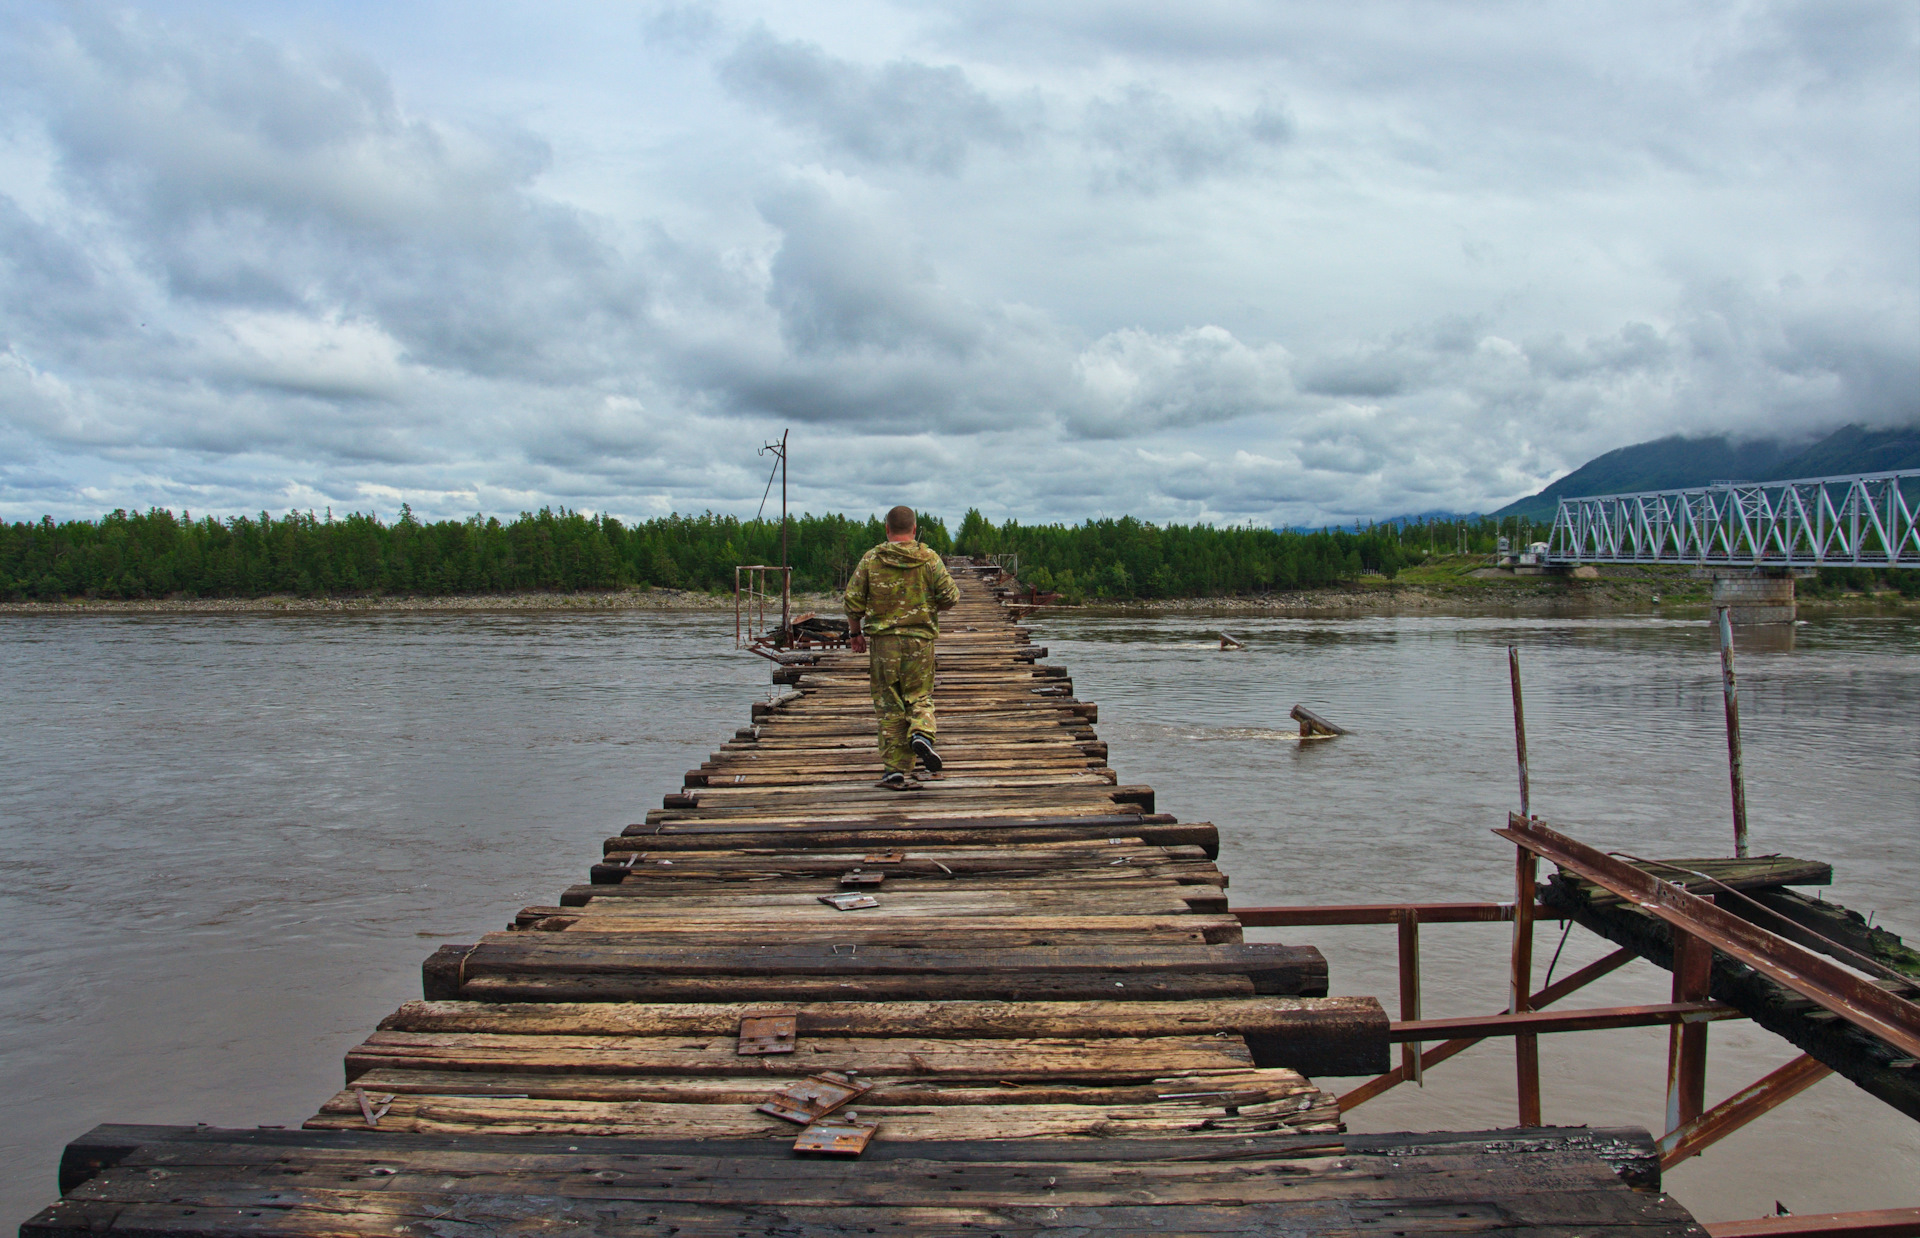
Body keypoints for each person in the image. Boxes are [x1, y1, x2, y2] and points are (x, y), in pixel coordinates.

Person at [844, 505, 960, 790]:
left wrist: (855, 633)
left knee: (889, 704)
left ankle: (895, 770)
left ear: (887, 529)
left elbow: (852, 601)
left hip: (884, 645)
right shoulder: (930, 559)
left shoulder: (871, 558)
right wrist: (929, 604)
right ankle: (921, 733)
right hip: (920, 642)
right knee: (919, 696)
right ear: (914, 529)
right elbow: (950, 597)